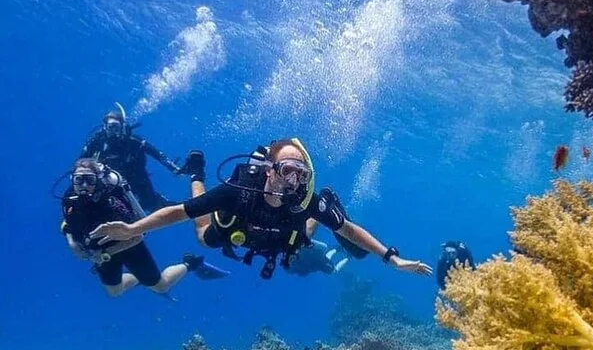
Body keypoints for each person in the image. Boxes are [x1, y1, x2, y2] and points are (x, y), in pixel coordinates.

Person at [90, 138, 433, 279]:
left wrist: (392, 258)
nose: (294, 180)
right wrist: (134, 229)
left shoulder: (304, 199)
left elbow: (347, 229)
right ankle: (197, 173)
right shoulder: (238, 191)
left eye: (301, 174)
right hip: (236, 229)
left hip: (282, 239)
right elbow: (181, 211)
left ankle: (327, 206)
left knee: (310, 225)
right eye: (288, 170)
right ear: (270, 170)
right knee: (203, 234)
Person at [61, 158, 228, 298]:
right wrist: (72, 242)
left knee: (161, 286)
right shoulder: (69, 199)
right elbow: (68, 223)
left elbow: (138, 235)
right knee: (115, 292)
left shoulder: (112, 204)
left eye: (90, 180)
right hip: (101, 252)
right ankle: (141, 279)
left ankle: (191, 263)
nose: (84, 185)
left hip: (129, 247)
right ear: (72, 180)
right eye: (79, 180)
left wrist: (105, 254)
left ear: (97, 181)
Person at [80, 102, 183, 212]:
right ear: (105, 127)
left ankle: (168, 205)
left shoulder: (134, 141)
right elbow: (81, 162)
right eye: (110, 127)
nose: (113, 131)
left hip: (137, 178)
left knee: (150, 204)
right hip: (111, 181)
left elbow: (156, 154)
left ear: (122, 127)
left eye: (116, 127)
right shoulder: (98, 141)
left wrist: (174, 168)